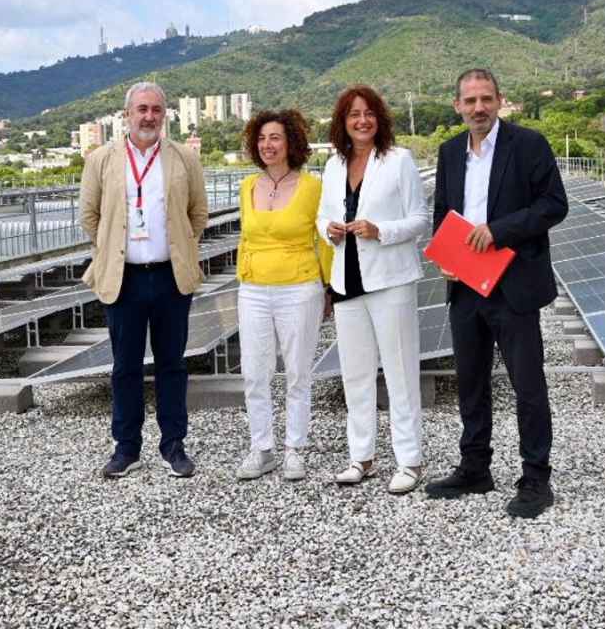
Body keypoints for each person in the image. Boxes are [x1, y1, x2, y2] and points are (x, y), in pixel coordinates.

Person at [424, 68, 567, 519]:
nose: (479, 108)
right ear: (458, 106)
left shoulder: (529, 145)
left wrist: (499, 231)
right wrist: (444, 254)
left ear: (499, 101)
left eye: (486, 99)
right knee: (471, 380)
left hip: (514, 284)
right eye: (470, 101)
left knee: (527, 384)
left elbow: (553, 205)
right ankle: (475, 466)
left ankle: (536, 478)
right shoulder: (449, 153)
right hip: (464, 284)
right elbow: (443, 213)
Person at [79, 81, 210, 480]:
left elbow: (198, 214)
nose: (149, 116)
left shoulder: (183, 158)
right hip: (125, 279)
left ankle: (174, 446)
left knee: (173, 365)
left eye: (156, 109)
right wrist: (116, 249)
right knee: (125, 367)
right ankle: (126, 448)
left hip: (170, 278)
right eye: (142, 109)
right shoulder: (101, 159)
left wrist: (179, 246)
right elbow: (90, 216)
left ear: (164, 115)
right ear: (127, 115)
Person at [317, 85, 428, 495]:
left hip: (390, 280)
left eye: (368, 113)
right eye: (353, 115)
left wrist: (381, 230)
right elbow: (322, 216)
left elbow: (419, 219)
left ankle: (409, 460)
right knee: (356, 375)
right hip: (346, 281)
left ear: (379, 118)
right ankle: (361, 456)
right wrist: (328, 230)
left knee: (400, 372)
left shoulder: (399, 161)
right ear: (342, 123)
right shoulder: (332, 166)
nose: (361, 120)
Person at [233, 109, 330, 483]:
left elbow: (323, 242)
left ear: (291, 142)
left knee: (297, 372)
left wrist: (326, 288)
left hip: (299, 288)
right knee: (255, 373)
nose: (267, 145)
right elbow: (245, 238)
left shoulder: (312, 187)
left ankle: (295, 449)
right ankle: (262, 448)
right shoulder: (247, 187)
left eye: (275, 138)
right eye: (261, 139)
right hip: (254, 289)